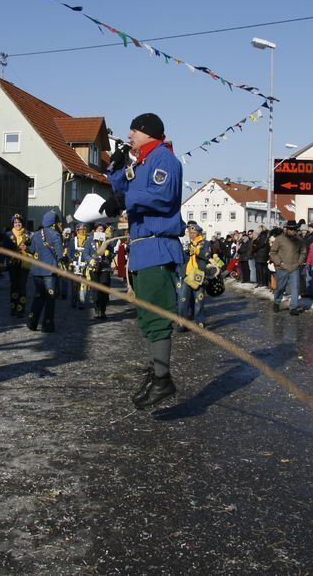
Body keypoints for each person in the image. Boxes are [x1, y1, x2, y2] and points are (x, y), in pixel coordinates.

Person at [100, 112, 183, 409]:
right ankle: (156, 369)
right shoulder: (143, 161)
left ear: (147, 132)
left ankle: (163, 379)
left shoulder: (164, 159)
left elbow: (162, 196)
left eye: (133, 131)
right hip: (142, 248)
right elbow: (122, 190)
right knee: (148, 318)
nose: (129, 136)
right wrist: (118, 167)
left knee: (157, 316)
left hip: (157, 245)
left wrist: (125, 200)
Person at [27, 210, 64, 332]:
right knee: (50, 299)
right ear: (53, 223)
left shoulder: (36, 234)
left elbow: (31, 250)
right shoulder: (55, 235)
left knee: (38, 297)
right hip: (49, 272)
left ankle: (32, 322)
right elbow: (60, 255)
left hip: (37, 271)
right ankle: (47, 325)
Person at [177, 220, 209, 328]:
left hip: (198, 274)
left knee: (198, 299)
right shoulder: (186, 243)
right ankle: (182, 323)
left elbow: (207, 255)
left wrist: (196, 251)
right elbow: (182, 259)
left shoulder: (205, 243)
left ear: (199, 233)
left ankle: (199, 321)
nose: (191, 235)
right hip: (186, 274)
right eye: (190, 233)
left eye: (194, 233)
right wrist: (185, 251)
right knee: (182, 299)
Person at [270, 220, 305, 315]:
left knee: (295, 288)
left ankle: (293, 307)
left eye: (294, 229)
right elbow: (273, 252)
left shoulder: (299, 240)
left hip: (294, 267)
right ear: (286, 229)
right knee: (280, 287)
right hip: (282, 267)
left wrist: (299, 263)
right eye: (290, 229)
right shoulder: (279, 239)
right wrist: (280, 263)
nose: (292, 231)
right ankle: (277, 302)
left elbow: (303, 253)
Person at [3, 214, 31, 317]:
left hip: (24, 264)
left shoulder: (28, 234)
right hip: (13, 264)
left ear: (22, 223)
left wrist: (26, 249)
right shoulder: (7, 235)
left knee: (22, 287)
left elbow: (33, 249)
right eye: (15, 222)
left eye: (19, 222)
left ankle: (21, 309)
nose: (17, 224)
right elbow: (4, 249)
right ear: (12, 224)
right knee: (14, 286)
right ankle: (13, 308)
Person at [87, 222, 114, 319]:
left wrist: (109, 253)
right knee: (95, 290)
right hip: (93, 268)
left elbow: (112, 253)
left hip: (105, 268)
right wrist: (91, 261)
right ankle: (96, 309)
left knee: (104, 290)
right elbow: (86, 253)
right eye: (98, 229)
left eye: (101, 229)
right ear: (95, 230)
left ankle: (103, 311)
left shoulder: (107, 241)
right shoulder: (89, 240)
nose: (100, 231)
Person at [69, 222, 95, 309]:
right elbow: (70, 252)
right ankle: (74, 300)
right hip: (75, 265)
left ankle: (82, 302)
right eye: (80, 229)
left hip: (85, 265)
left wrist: (90, 261)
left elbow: (91, 252)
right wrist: (70, 260)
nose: (82, 231)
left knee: (84, 285)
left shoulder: (89, 239)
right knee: (74, 285)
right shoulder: (73, 240)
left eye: (84, 229)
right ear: (77, 230)